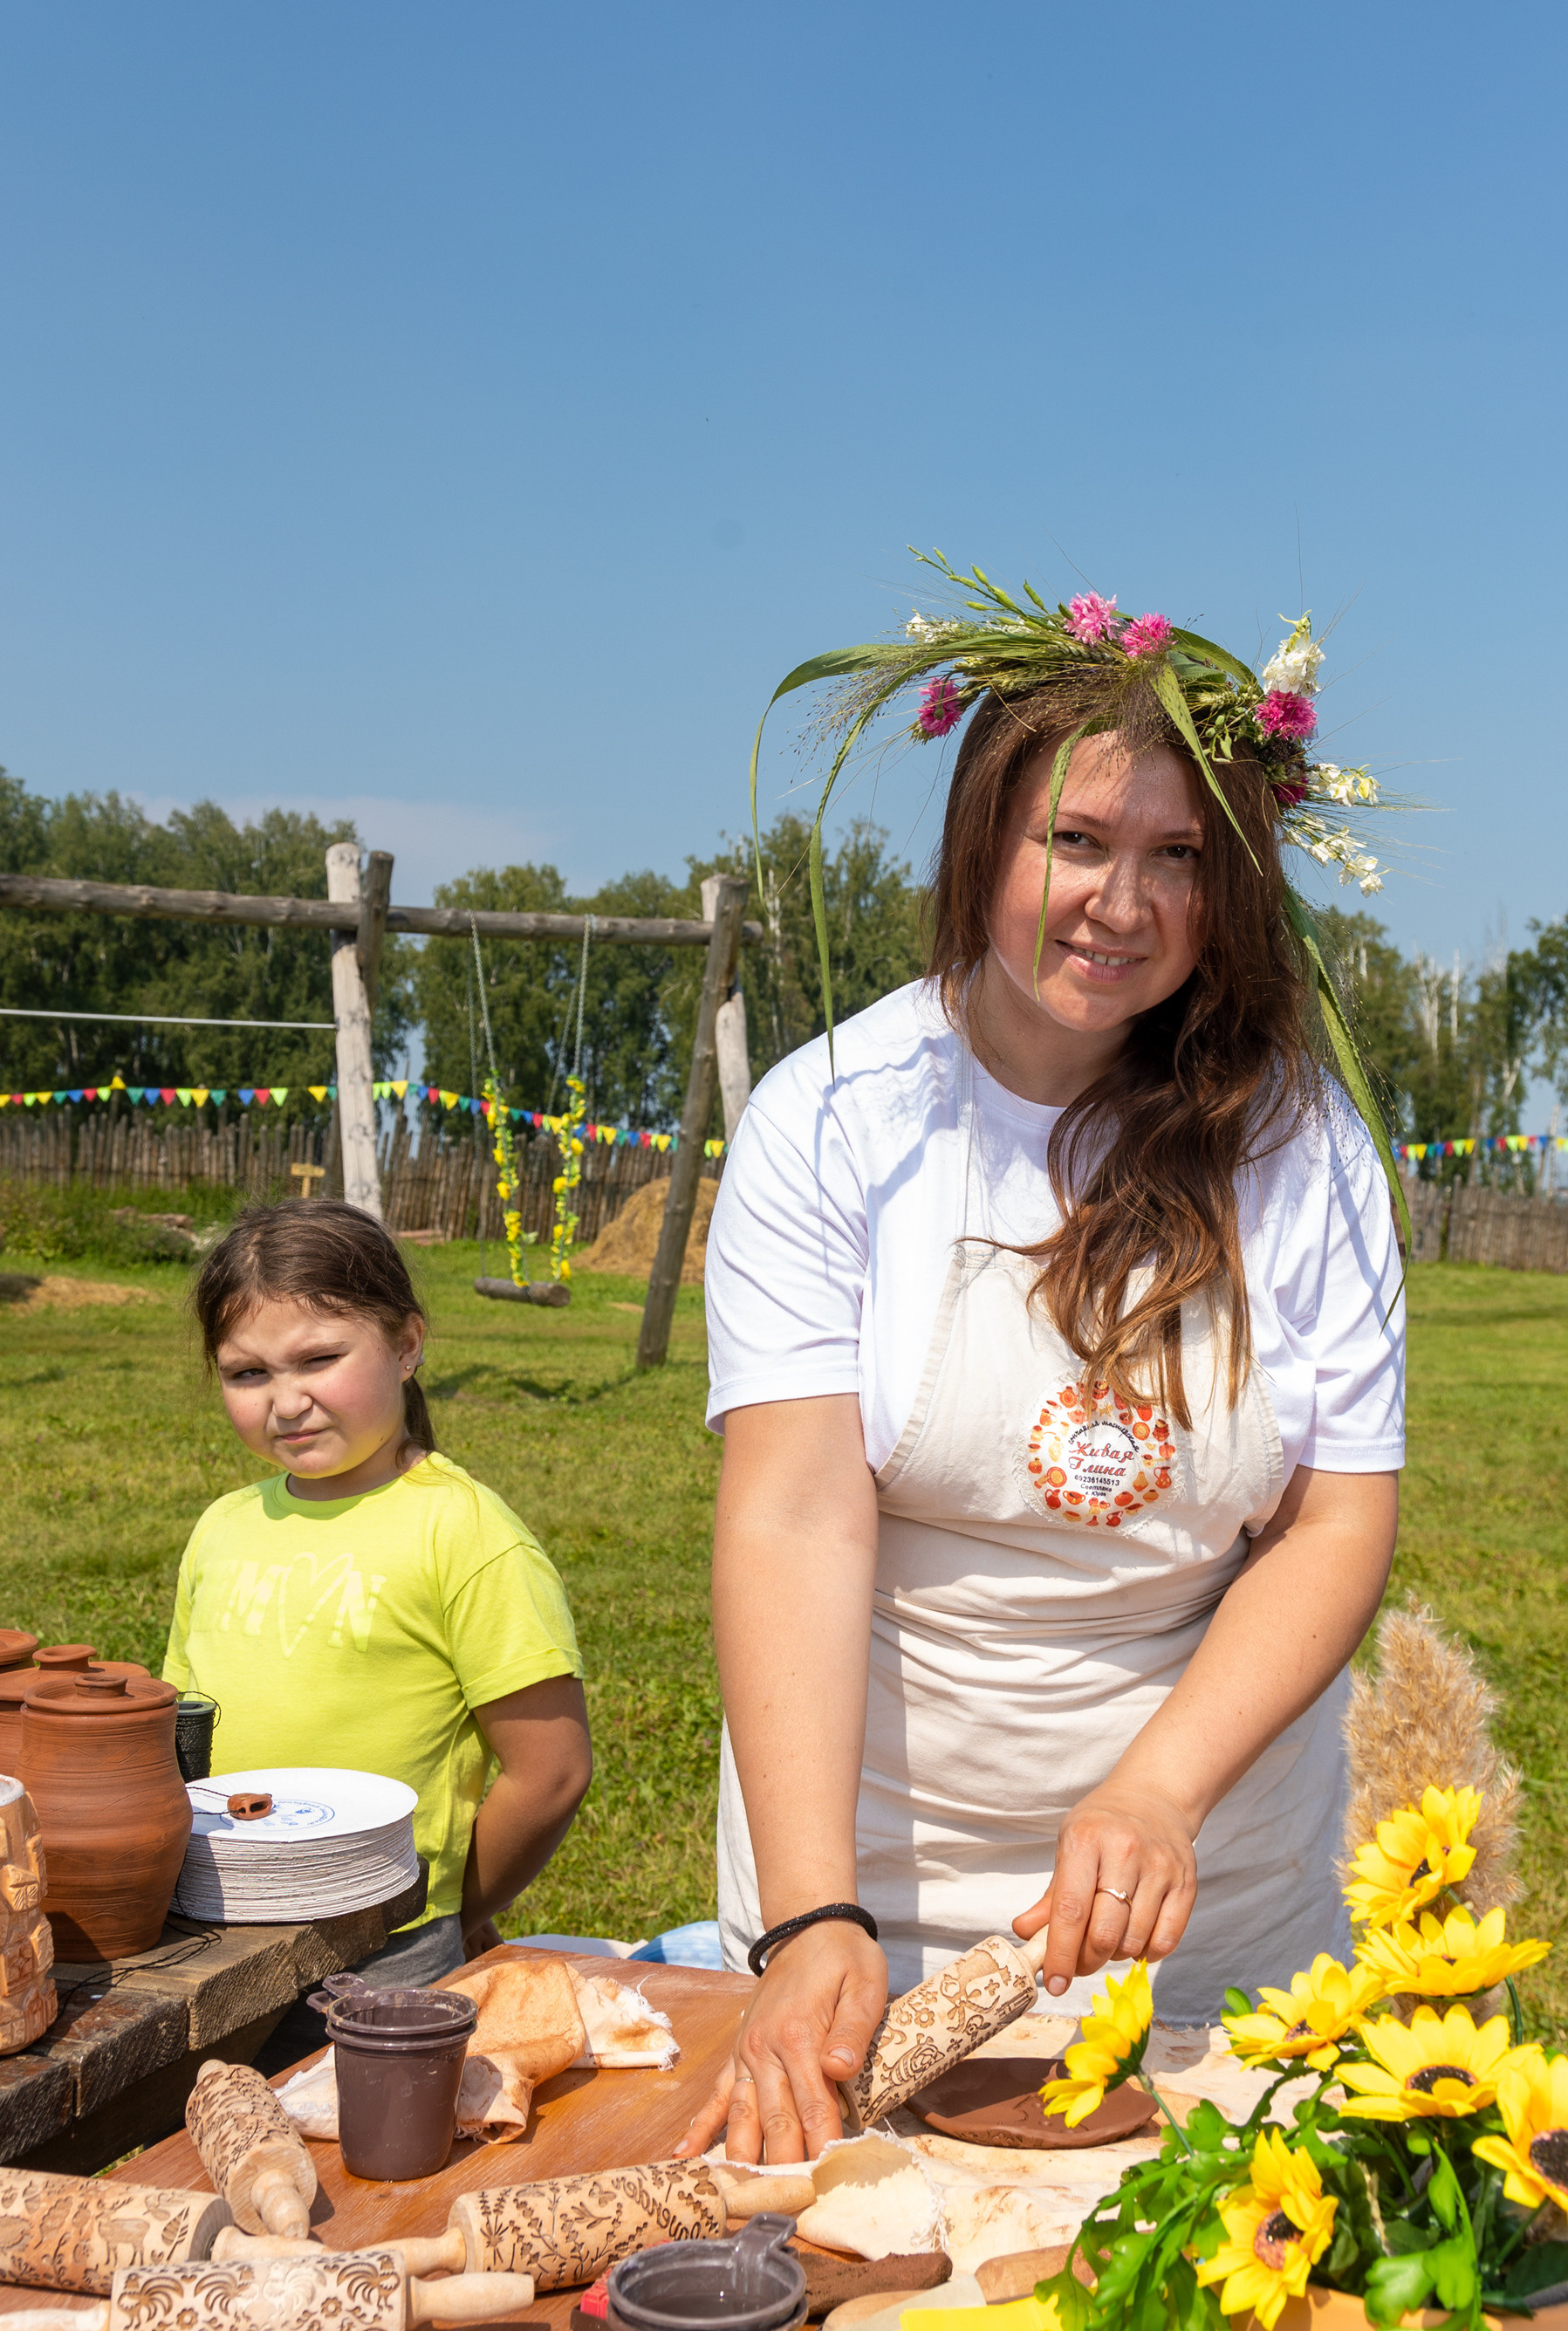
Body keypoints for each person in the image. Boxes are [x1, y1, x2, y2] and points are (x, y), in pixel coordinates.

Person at [679, 563, 1405, 2166]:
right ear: (984, 843)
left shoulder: (1300, 1143)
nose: (1120, 904)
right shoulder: (836, 1116)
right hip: (878, 1878)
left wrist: (1157, 1793)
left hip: (1205, 1888)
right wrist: (813, 1909)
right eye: (1074, 842)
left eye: (1177, 857)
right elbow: (796, 1514)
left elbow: (1333, 1519)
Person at [164, 1200, 592, 2022]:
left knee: (365, 2149)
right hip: (210, 1930)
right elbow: (181, 1727)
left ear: (407, 1345)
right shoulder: (223, 1527)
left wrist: (452, 1914)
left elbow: (552, 1772)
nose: (286, 1403)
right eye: (247, 1373)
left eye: (319, 1359)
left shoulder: (465, 1534)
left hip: (386, 1952)